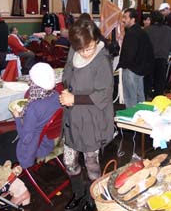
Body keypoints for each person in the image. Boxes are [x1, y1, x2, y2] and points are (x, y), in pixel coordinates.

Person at [59, 19, 114, 211]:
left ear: (95, 39)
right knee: (69, 161)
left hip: (92, 117)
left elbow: (105, 94)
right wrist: (67, 91)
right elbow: (67, 75)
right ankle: (78, 192)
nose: (85, 52)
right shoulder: (75, 50)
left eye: (88, 47)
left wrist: (75, 99)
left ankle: (94, 198)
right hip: (73, 116)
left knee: (91, 164)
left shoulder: (101, 60)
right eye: (81, 49)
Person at [0, 62, 60, 169]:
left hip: (34, 147)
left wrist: (17, 117)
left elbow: (25, 138)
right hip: (48, 141)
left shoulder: (34, 106)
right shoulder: (56, 95)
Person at [117, 8, 154, 108]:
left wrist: (124, 65)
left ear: (132, 19)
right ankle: (141, 118)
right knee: (139, 98)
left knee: (130, 99)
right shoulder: (141, 32)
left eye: (125, 17)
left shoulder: (131, 34)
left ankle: (132, 120)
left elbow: (129, 54)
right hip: (139, 70)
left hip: (131, 70)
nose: (123, 20)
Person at [145, 11, 171, 97]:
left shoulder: (147, 30)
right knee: (160, 83)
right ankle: (158, 101)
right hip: (163, 59)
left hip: (148, 59)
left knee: (147, 83)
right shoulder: (170, 30)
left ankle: (147, 101)